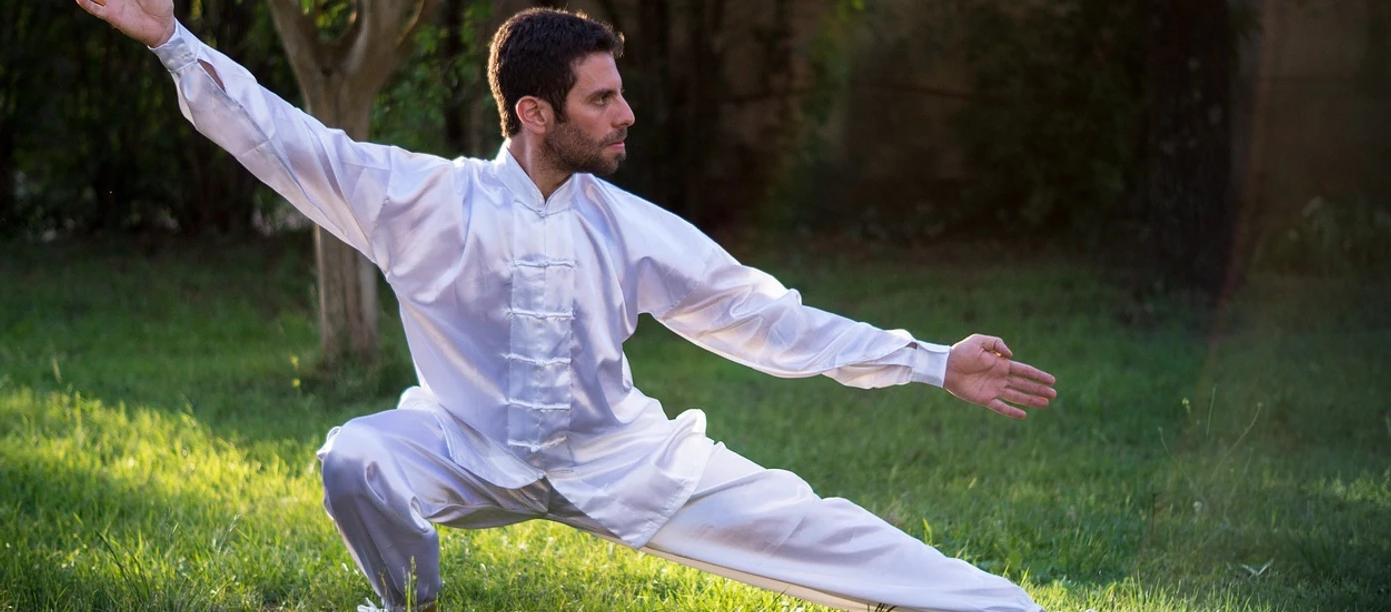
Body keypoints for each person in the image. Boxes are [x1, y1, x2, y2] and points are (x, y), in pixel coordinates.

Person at [75, 1, 1059, 611]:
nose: (625, 113)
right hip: (462, 451)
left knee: (825, 530)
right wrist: (173, 43)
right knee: (351, 460)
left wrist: (931, 360)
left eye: (620, 94)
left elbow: (768, 320)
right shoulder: (418, 199)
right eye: (601, 100)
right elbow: (284, 141)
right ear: (535, 115)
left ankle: (991, 609)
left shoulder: (631, 230)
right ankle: (404, 608)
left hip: (625, 463)